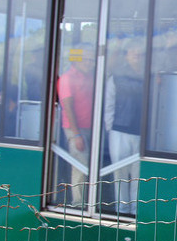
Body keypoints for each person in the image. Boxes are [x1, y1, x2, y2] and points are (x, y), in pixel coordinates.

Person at [104, 39, 144, 215]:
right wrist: (110, 128)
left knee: (137, 175)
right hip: (119, 130)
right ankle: (122, 210)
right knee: (119, 174)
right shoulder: (116, 76)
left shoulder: (148, 75)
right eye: (133, 51)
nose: (137, 55)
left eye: (139, 52)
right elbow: (109, 103)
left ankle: (134, 211)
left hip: (141, 132)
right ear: (126, 55)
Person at [57, 44, 96, 205]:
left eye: (91, 60)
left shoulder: (91, 76)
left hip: (91, 127)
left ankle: (88, 201)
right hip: (75, 129)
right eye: (86, 59)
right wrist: (76, 134)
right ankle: (78, 203)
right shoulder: (67, 78)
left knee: (89, 165)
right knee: (80, 165)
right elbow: (68, 107)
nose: (89, 63)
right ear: (76, 60)